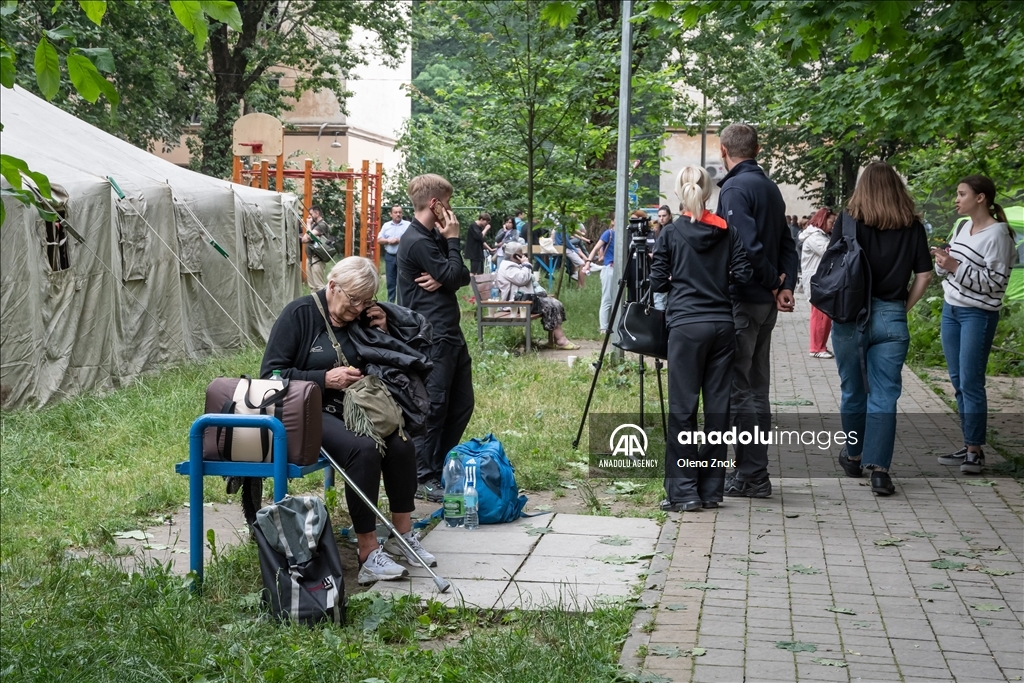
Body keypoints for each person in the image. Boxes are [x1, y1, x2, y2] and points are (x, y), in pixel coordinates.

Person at [260, 257, 436, 584]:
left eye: (364, 302)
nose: (356, 310)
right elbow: (270, 374)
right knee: (364, 450)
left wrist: (382, 329)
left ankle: (402, 536)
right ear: (332, 286)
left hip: (355, 405)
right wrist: (324, 378)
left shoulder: (360, 316)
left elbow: (391, 356)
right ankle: (368, 553)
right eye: (353, 301)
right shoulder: (299, 315)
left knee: (400, 442)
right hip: (306, 410)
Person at [652, 166, 752, 511]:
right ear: (708, 194)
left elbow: (657, 283)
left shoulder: (669, 232)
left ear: (681, 194)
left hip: (686, 327)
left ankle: (683, 491)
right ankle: (711, 489)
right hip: (723, 326)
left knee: (683, 408)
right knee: (718, 409)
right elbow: (743, 273)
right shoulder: (727, 231)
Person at [831, 162, 932, 496]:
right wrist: (902, 308)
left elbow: (832, 266)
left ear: (863, 187)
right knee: (886, 394)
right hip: (891, 314)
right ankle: (880, 471)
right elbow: (924, 276)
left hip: (850, 315)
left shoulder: (848, 220)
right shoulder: (912, 225)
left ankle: (854, 454)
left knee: (852, 390)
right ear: (898, 187)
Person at [716, 124, 798, 499]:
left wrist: (771, 282)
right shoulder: (769, 187)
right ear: (758, 149)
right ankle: (754, 472)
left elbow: (745, 244)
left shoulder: (735, 187)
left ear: (722, 151)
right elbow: (787, 243)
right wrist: (785, 286)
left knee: (740, 390)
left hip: (746, 299)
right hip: (765, 302)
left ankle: (751, 475)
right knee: (757, 388)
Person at [397, 174, 474, 502]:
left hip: (450, 333)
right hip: (431, 336)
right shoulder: (416, 240)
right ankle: (422, 474)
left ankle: (439, 464)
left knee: (461, 404)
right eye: (449, 202)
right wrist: (453, 243)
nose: (451, 211)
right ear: (436, 204)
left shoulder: (432, 237)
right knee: (435, 405)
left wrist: (448, 271)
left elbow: (462, 276)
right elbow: (452, 275)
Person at [933, 175, 1018, 474]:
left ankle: (975, 452)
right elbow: (950, 271)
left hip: (977, 315)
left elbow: (995, 284)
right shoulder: (962, 227)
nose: (956, 199)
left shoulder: (998, 235)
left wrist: (954, 266)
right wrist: (943, 263)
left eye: (961, 194)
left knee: (971, 381)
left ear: (980, 198)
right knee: (958, 381)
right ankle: (970, 444)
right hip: (951, 310)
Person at [497, 241, 580, 350]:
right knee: (549, 306)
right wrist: (526, 264)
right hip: (514, 304)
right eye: (521, 253)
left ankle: (554, 340)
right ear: (514, 255)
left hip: (524, 300)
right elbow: (522, 279)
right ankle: (561, 340)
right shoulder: (507, 267)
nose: (523, 255)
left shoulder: (513, 264)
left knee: (554, 303)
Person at [800, 208, 837, 358]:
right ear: (823, 220)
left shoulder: (820, 235)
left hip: (820, 280)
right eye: (831, 222)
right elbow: (829, 251)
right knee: (820, 315)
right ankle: (816, 348)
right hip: (817, 280)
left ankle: (820, 346)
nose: (833, 225)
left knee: (824, 314)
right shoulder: (815, 237)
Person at [588, 217, 616, 335]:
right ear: (613, 221)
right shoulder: (608, 233)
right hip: (609, 268)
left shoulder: (625, 234)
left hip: (620, 269)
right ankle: (604, 329)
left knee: (616, 299)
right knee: (607, 299)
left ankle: (614, 326)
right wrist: (588, 261)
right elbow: (596, 248)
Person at [378, 205, 411, 303]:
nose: (398, 214)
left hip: (404, 257)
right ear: (391, 214)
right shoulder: (386, 226)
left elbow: (413, 238)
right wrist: (388, 240)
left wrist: (401, 240)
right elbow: (379, 240)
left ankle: (404, 303)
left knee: (404, 280)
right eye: (395, 212)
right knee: (391, 281)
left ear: (402, 214)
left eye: (400, 212)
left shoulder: (408, 225)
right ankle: (390, 303)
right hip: (390, 257)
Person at [302, 205, 333, 291]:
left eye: (311, 214)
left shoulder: (322, 225)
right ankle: (315, 303)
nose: (309, 216)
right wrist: (310, 233)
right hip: (310, 258)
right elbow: (304, 239)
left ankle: (322, 303)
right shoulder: (314, 225)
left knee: (319, 286)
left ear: (317, 213)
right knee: (312, 287)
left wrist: (308, 224)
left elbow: (310, 236)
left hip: (317, 258)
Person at [653, 206, 673, 310]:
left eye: (664, 216)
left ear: (669, 216)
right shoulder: (657, 231)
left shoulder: (672, 230)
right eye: (659, 216)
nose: (661, 218)